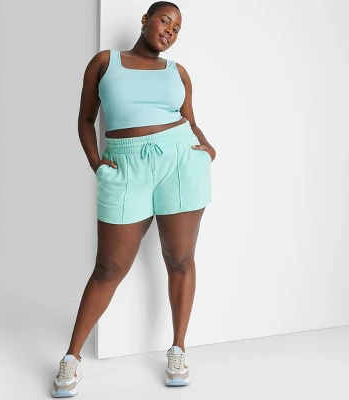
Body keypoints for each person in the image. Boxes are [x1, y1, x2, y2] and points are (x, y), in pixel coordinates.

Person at [51, 1, 216, 397]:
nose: (170, 31)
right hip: (124, 167)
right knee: (109, 266)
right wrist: (97, 164)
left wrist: (207, 149)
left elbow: (191, 121)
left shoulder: (178, 72)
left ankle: (178, 350)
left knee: (180, 258)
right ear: (145, 20)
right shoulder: (105, 62)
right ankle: (72, 356)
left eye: (177, 29)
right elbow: (85, 119)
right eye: (165, 21)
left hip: (180, 162)